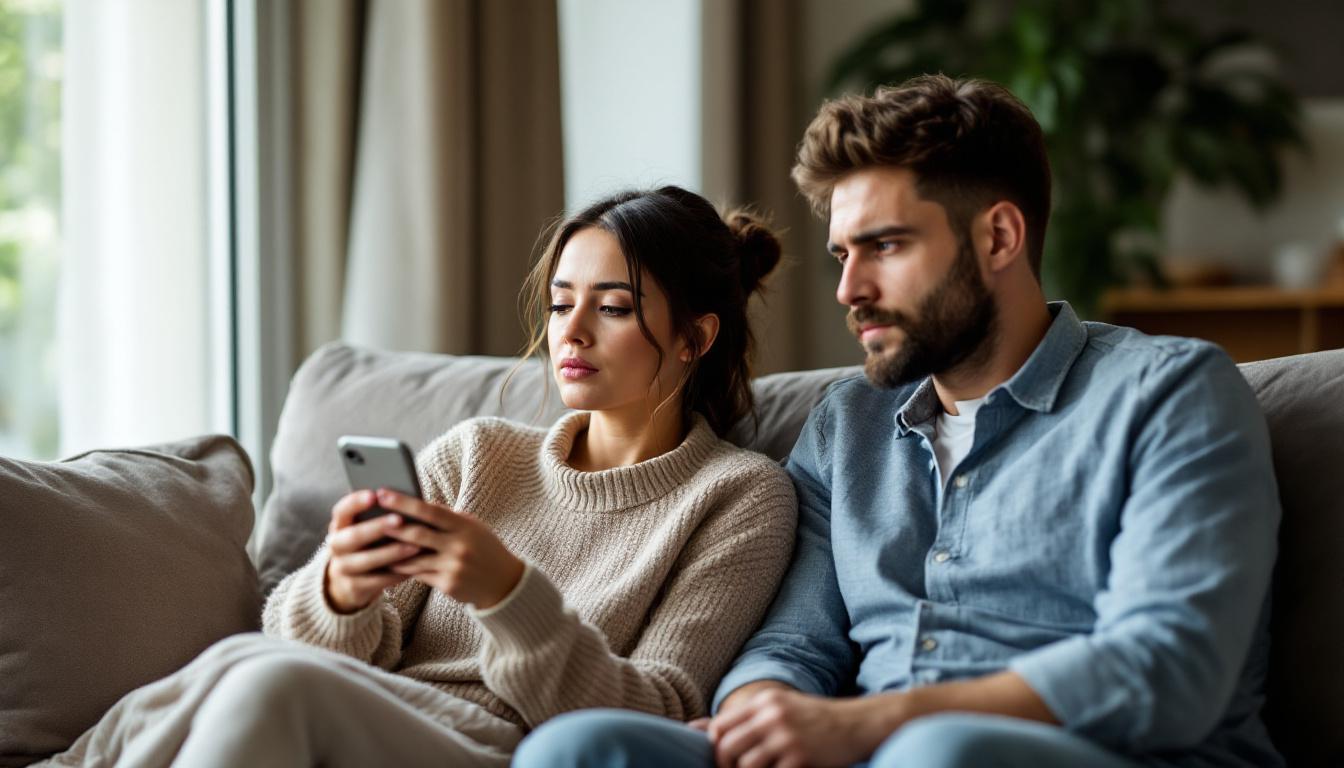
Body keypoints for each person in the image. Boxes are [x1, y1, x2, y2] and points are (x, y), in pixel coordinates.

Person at [516, 75, 1282, 767]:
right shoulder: (847, 425)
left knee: (939, 753)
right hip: (868, 755)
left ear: (999, 237)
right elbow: (791, 644)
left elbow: (1169, 666)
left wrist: (874, 725)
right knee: (581, 745)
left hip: (1084, 755)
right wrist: (758, 714)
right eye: (842, 254)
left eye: (884, 247)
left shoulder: (1171, 393)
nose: (849, 288)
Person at [38, 186, 797, 767]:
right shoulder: (480, 454)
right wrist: (341, 588)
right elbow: (301, 643)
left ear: (696, 337)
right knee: (251, 661)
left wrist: (508, 593)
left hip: (504, 748)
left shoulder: (739, 497)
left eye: (614, 307)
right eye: (562, 302)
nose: (571, 330)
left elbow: (658, 717)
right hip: (369, 714)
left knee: (271, 679)